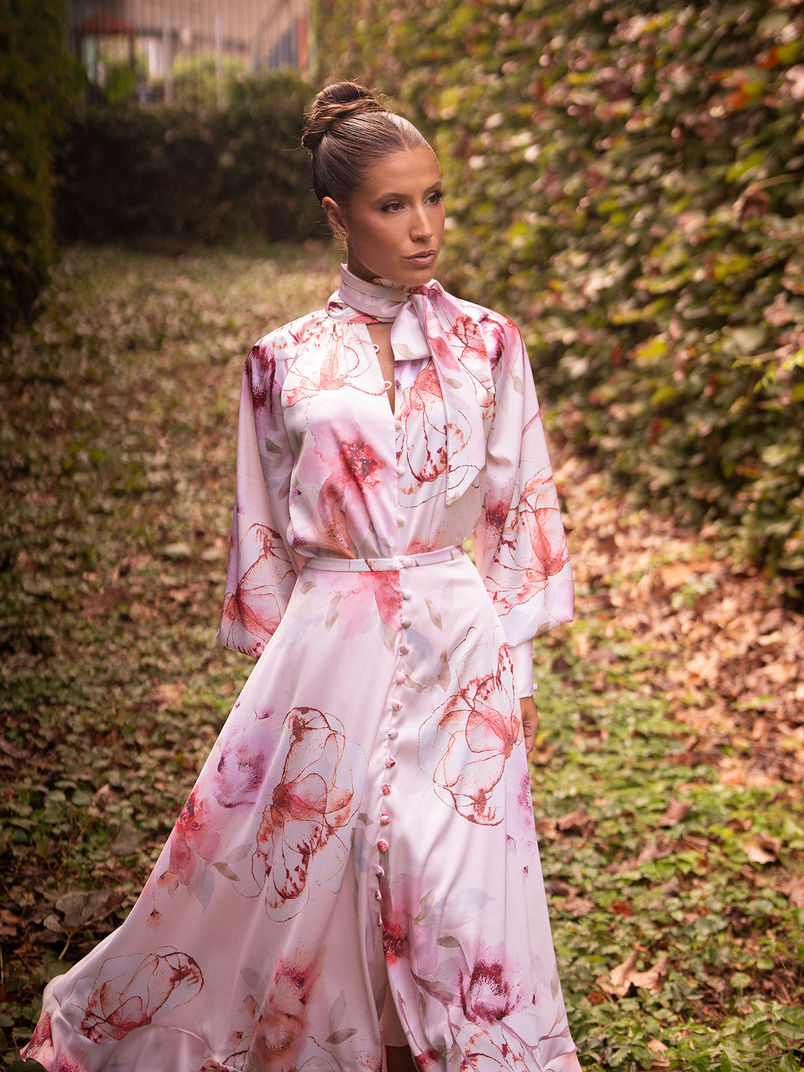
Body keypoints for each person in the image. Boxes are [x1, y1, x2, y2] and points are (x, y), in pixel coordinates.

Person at [22, 81, 581, 1072]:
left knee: (453, 876)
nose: (424, 227)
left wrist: (521, 674)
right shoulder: (280, 360)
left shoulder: (489, 343)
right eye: (393, 205)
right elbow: (264, 525)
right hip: (330, 647)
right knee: (323, 865)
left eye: (435, 198)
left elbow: (516, 509)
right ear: (338, 215)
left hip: (460, 646)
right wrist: (280, 675)